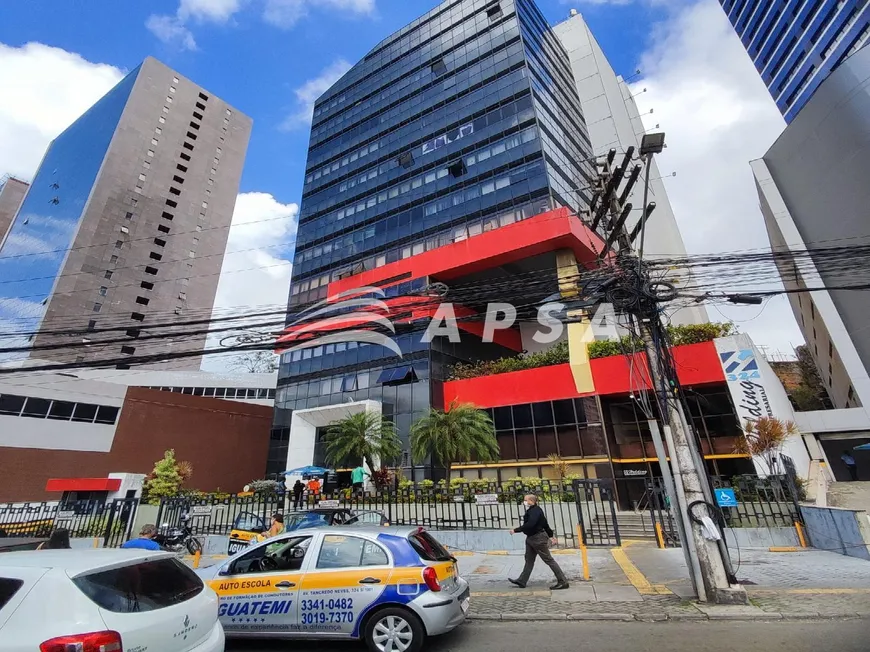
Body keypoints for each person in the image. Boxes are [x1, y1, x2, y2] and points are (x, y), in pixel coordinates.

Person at [508, 494, 569, 590]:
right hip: (531, 538)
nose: (524, 502)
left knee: (548, 560)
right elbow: (545, 524)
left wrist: (515, 530)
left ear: (531, 501)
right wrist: (551, 536)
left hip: (537, 539)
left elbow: (531, 524)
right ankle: (522, 580)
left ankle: (563, 581)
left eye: (525, 500)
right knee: (529, 560)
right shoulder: (534, 510)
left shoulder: (535, 511)